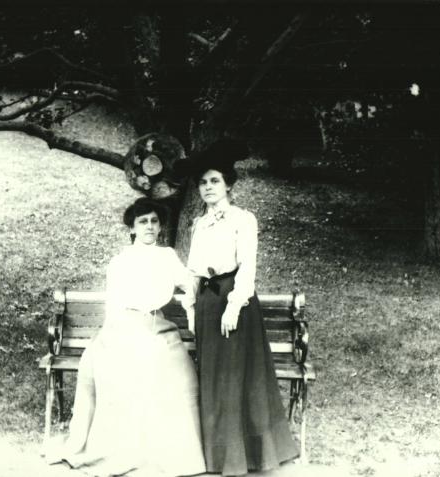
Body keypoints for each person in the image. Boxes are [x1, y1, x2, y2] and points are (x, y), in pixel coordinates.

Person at [47, 197, 206, 477]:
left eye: (154, 221)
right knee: (129, 368)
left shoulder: (167, 256)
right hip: (125, 326)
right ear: (132, 228)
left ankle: (174, 453)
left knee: (182, 374)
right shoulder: (121, 261)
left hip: (159, 327)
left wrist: (193, 295)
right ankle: (127, 450)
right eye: (142, 221)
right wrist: (112, 338)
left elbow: (189, 285)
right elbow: (114, 305)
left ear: (160, 228)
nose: (149, 226)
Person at [183, 139, 299, 476]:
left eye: (214, 181)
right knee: (213, 378)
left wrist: (234, 306)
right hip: (206, 302)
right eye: (203, 182)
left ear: (229, 184)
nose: (208, 187)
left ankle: (244, 457)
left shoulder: (243, 219)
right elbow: (193, 269)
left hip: (234, 300)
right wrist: (191, 308)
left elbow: (247, 265)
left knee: (235, 378)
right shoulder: (198, 223)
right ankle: (215, 456)